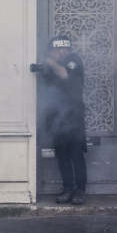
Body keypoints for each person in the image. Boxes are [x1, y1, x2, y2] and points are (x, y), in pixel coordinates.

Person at [39, 36, 88, 205]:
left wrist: (49, 62)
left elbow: (65, 74)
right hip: (56, 115)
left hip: (73, 115)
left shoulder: (73, 59)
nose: (50, 55)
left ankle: (80, 191)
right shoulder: (53, 66)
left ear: (61, 49)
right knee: (62, 155)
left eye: (52, 52)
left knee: (75, 154)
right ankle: (68, 189)